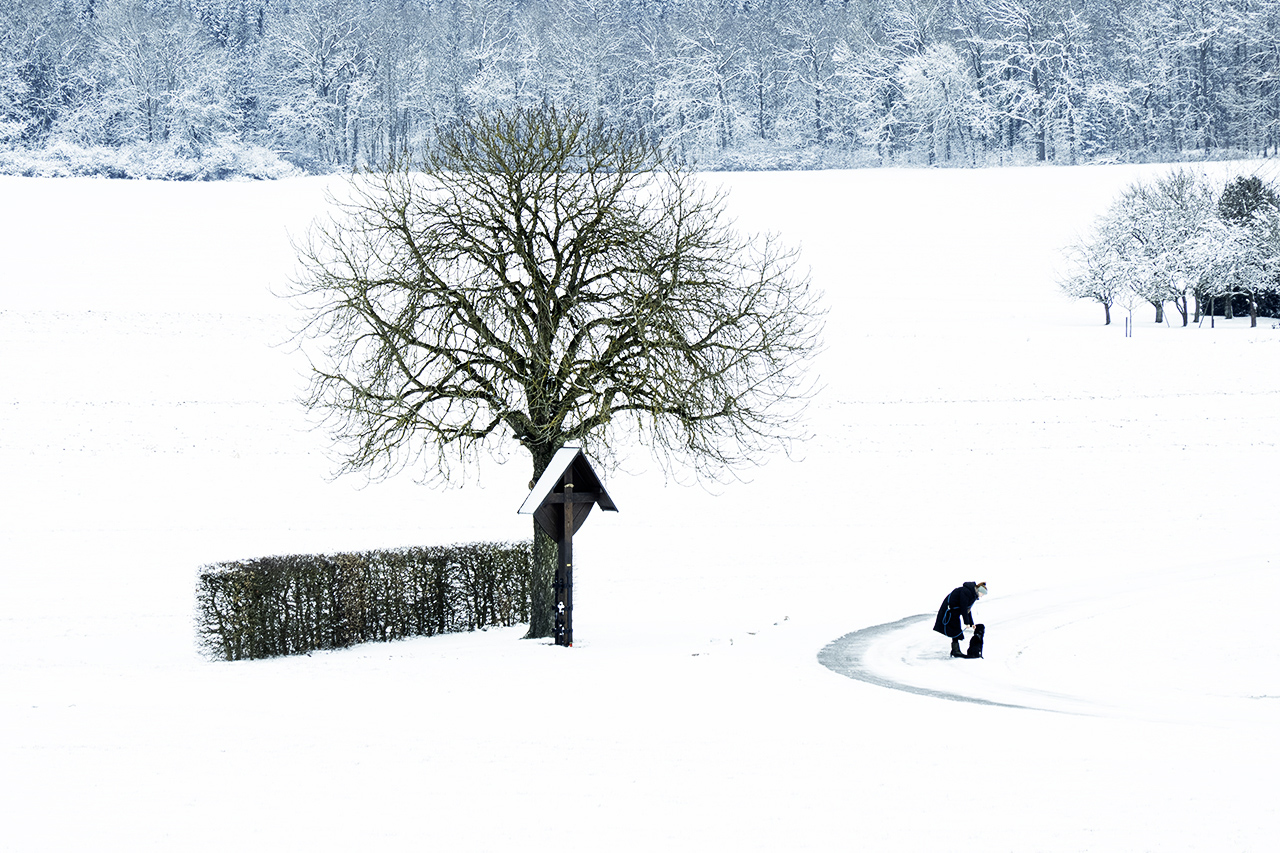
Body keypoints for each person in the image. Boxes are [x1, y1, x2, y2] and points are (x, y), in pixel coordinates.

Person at [933, 581, 987, 658]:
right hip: (949, 609)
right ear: (979, 591)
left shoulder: (973, 595)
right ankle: (955, 651)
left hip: (955, 610)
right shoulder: (966, 592)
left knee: (955, 628)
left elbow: (968, 610)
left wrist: (971, 623)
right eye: (982, 594)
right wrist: (966, 622)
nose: (981, 596)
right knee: (954, 628)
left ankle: (955, 650)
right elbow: (963, 607)